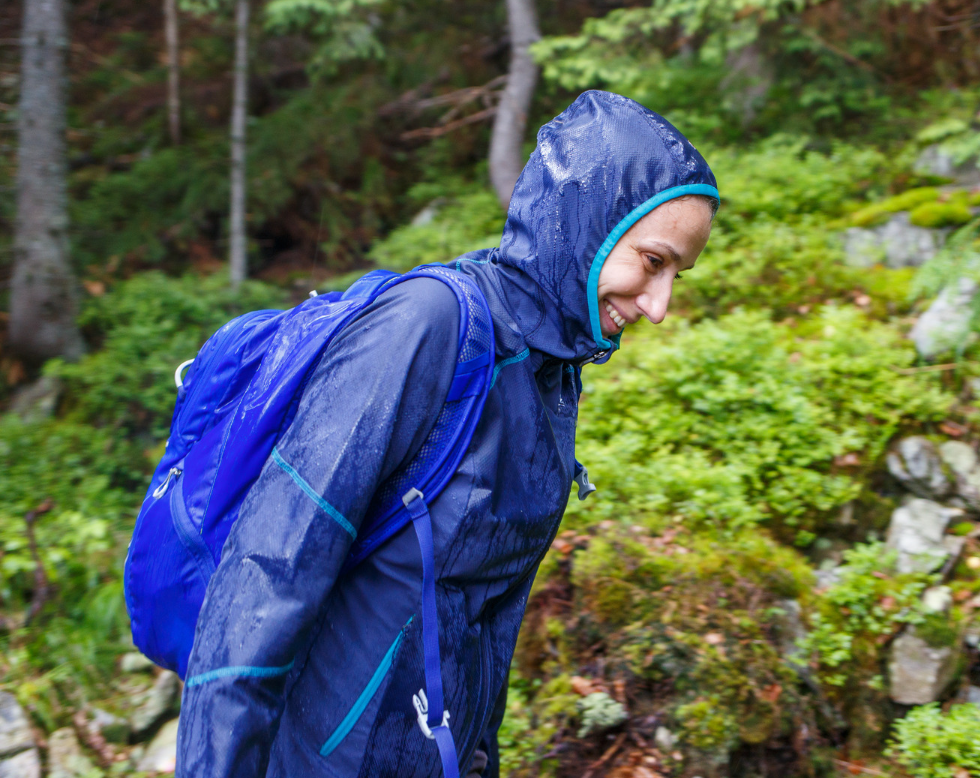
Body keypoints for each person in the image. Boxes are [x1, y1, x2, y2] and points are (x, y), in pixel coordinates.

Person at [176, 90, 719, 778]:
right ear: (589, 226)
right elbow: (268, 570)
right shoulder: (428, 328)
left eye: (679, 274)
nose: (662, 306)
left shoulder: (547, 367)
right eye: (652, 262)